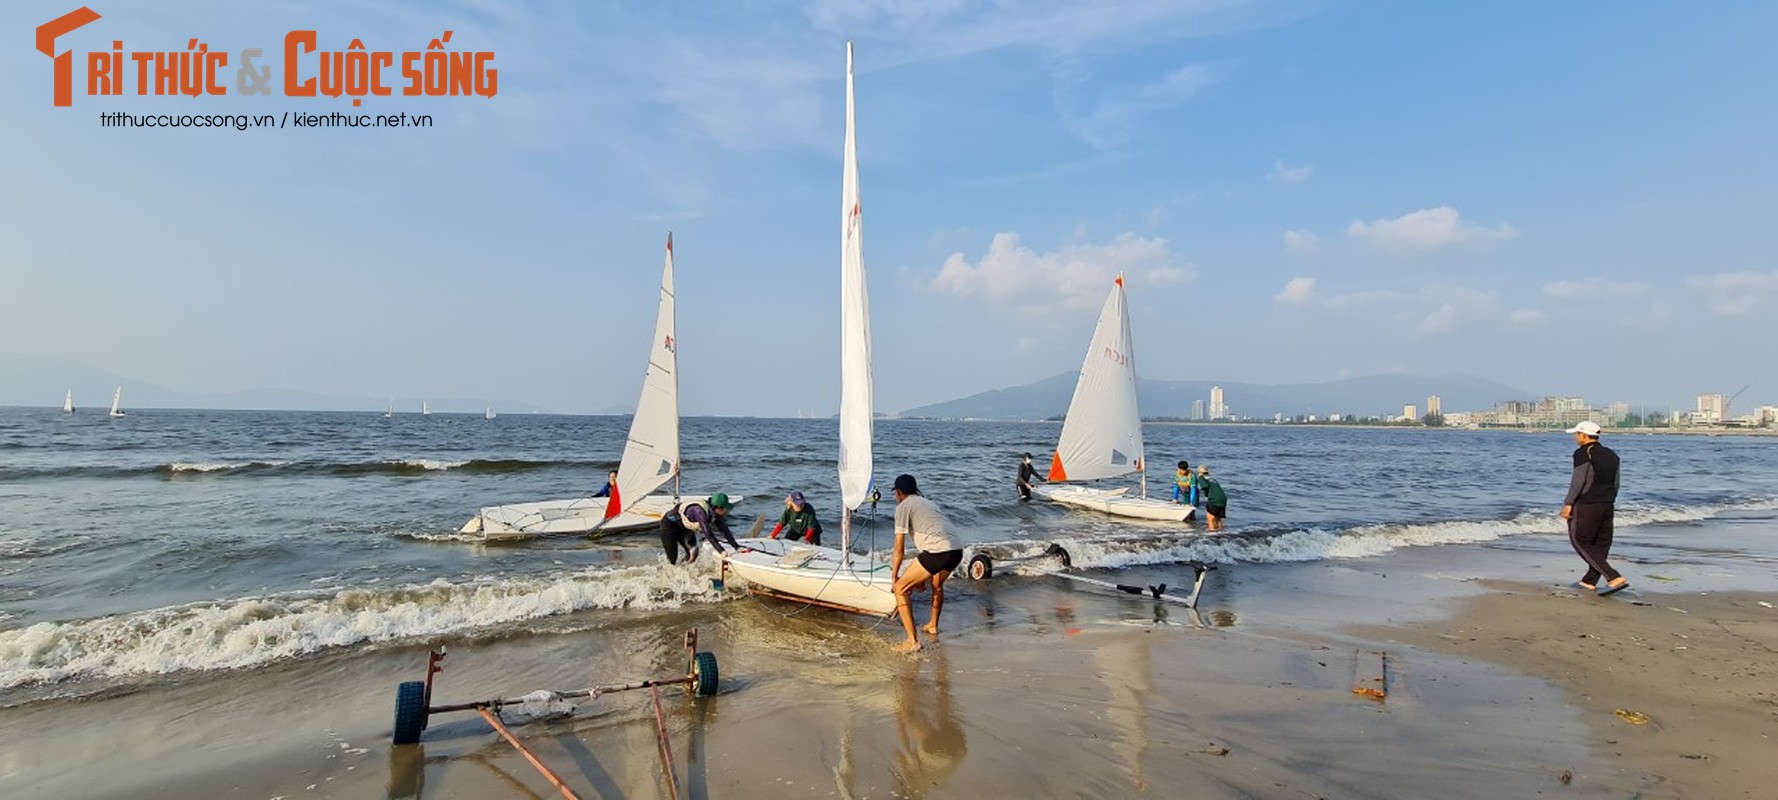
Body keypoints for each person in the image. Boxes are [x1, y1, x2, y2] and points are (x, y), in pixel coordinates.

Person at [889, 474, 961, 653]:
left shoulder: (903, 507)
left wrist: (895, 577)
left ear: (899, 493)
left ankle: (912, 641)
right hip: (956, 550)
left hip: (937, 551)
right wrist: (920, 578)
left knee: (900, 588)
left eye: (896, 494)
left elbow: (899, 549)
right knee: (936, 584)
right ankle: (933, 625)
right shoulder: (928, 503)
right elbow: (933, 537)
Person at [1562, 421, 1626, 595]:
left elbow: (1578, 481)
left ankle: (1613, 577)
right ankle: (1589, 581)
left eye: (1577, 434)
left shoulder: (1583, 453)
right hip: (1607, 503)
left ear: (1583, 435)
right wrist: (1609, 499)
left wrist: (1568, 503)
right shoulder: (1611, 455)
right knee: (1601, 543)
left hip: (1586, 504)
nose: (1575, 437)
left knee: (1579, 540)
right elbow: (1616, 483)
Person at [659, 492, 740, 565]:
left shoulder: (716, 514)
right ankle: (670, 573)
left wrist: (737, 547)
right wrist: (721, 551)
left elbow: (725, 530)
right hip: (669, 526)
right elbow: (708, 533)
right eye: (725, 509)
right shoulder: (700, 512)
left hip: (684, 529)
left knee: (693, 553)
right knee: (672, 558)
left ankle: (685, 570)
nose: (727, 512)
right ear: (718, 507)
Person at [1197, 465, 1227, 531]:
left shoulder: (1202, 477)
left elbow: (1204, 486)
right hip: (1223, 498)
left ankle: (1212, 533)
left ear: (1199, 473)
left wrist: (1207, 494)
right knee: (1218, 517)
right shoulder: (1212, 478)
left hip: (1214, 499)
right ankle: (1221, 532)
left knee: (1210, 517)